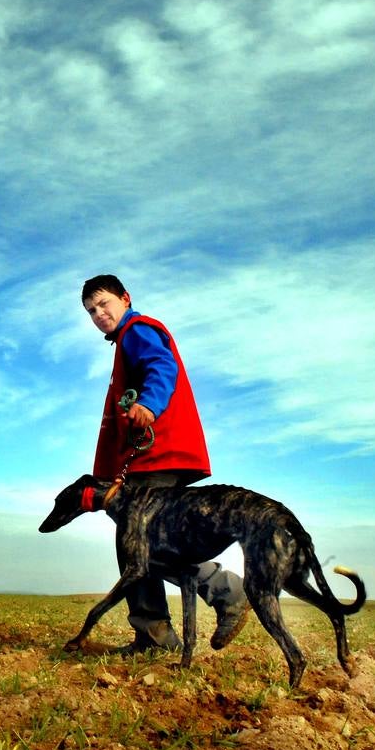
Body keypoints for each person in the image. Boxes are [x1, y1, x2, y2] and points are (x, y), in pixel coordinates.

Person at [82, 274, 250, 654]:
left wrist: (150, 405)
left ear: (125, 298)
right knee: (146, 545)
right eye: (91, 311)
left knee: (139, 546)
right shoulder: (126, 338)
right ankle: (164, 630)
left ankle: (218, 598)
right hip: (151, 457)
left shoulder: (138, 330)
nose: (98, 314)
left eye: (104, 303)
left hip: (155, 457)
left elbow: (162, 365)